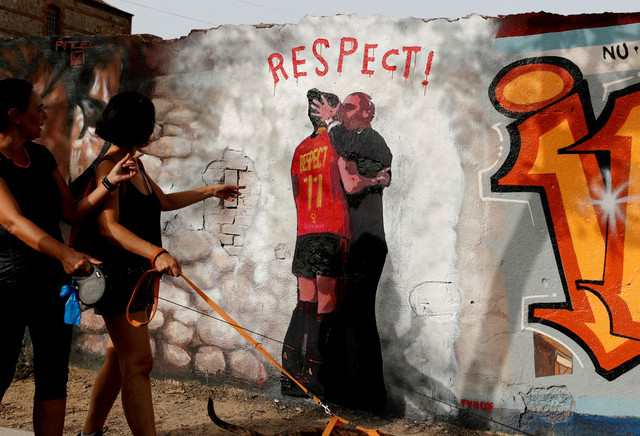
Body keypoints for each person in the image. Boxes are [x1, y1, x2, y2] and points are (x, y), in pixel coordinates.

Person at [78, 91, 244, 436]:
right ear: (137, 127)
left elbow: (163, 201)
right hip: (117, 280)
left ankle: (89, 433)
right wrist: (156, 253)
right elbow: (109, 228)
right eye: (149, 124)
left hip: (137, 279)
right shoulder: (108, 168)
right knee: (139, 363)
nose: (152, 131)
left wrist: (210, 190)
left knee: (117, 359)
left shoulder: (132, 164)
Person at [0, 78, 138, 436]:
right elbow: (13, 222)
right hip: (7, 286)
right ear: (15, 115)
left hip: (50, 284)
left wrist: (109, 183)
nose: (44, 116)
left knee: (53, 375)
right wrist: (65, 252)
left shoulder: (42, 156)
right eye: (38, 109)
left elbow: (71, 213)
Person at [312, 91, 392, 411]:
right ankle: (347, 394)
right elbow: (353, 177)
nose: (342, 112)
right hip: (348, 242)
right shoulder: (350, 142)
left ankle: (370, 399)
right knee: (346, 318)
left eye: (348, 107)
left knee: (359, 318)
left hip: (367, 243)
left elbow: (352, 183)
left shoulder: (373, 142)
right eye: (340, 108)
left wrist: (331, 122)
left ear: (368, 114)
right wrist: (371, 179)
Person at [282, 89, 348, 400]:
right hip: (329, 231)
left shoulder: (300, 149)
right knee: (326, 308)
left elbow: (296, 191)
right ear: (332, 111)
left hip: (304, 232)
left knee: (304, 305)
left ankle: (290, 376)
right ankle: (318, 377)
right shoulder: (338, 141)